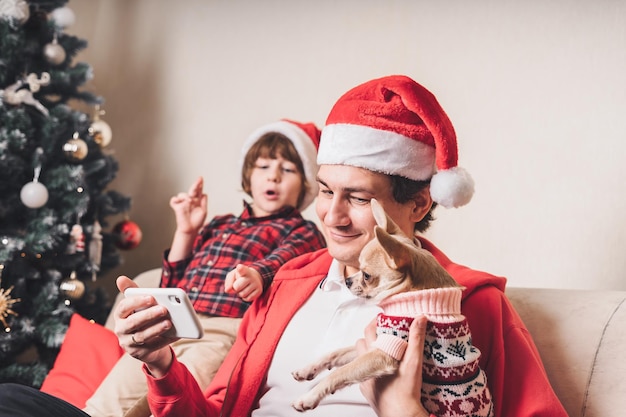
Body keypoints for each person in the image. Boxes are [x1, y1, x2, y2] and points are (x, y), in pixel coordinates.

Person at [0, 75, 567, 417]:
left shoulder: (469, 303)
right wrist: (162, 365)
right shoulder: (288, 284)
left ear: (419, 204)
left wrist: (402, 410)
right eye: (324, 191)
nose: (332, 216)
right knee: (14, 401)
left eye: (360, 198)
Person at [82, 119, 327, 417]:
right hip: (173, 322)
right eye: (263, 167)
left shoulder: (302, 230)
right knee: (104, 405)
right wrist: (186, 231)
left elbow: (283, 263)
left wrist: (255, 275)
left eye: (287, 170)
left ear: (306, 185)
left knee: (179, 399)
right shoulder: (220, 224)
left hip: (223, 330)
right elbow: (174, 279)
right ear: (248, 175)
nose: (273, 177)